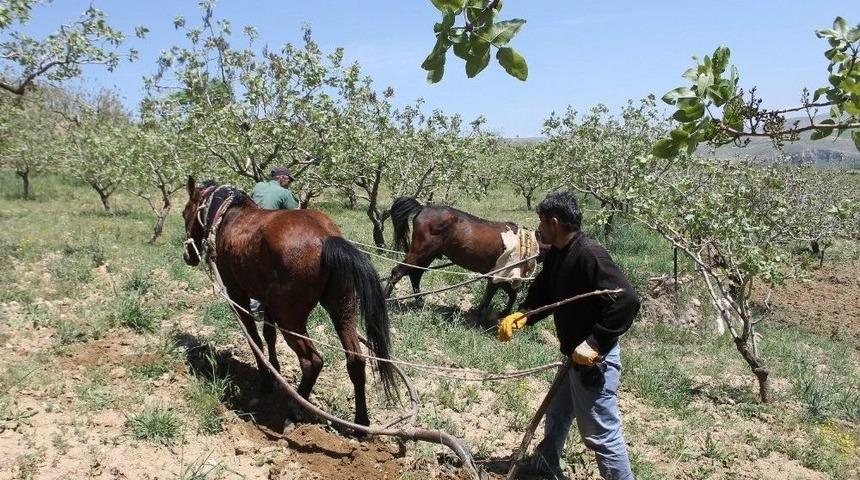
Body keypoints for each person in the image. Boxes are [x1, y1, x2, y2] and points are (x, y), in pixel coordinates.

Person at [497, 191, 640, 480]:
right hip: (573, 355)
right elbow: (545, 289)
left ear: (554, 222)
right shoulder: (559, 254)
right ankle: (545, 466)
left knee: (601, 434)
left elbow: (628, 300)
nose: (537, 229)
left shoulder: (590, 254)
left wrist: (595, 342)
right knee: (558, 413)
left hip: (593, 360)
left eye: (541, 222)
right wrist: (525, 314)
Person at [248, 167, 299, 314]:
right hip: (265, 233)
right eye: (289, 180)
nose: (290, 183)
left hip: (248, 229)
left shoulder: (258, 186)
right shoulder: (285, 193)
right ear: (282, 178)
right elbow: (294, 215)